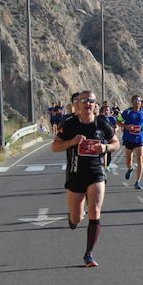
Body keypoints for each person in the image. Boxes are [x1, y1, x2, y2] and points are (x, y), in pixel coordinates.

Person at [52, 89, 119, 267]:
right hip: (75, 174)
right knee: (76, 219)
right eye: (84, 101)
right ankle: (73, 218)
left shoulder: (102, 123)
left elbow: (116, 143)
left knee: (95, 210)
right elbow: (55, 147)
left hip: (96, 172)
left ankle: (89, 253)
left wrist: (104, 148)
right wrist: (72, 142)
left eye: (91, 101)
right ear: (78, 105)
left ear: (95, 104)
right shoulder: (70, 123)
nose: (87, 104)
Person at [121, 94, 143, 190]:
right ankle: (130, 168)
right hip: (129, 139)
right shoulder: (127, 112)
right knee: (128, 161)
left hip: (140, 139)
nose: (137, 102)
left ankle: (138, 181)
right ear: (132, 102)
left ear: (141, 103)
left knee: (140, 158)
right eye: (135, 100)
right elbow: (118, 121)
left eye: (139, 101)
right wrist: (126, 127)